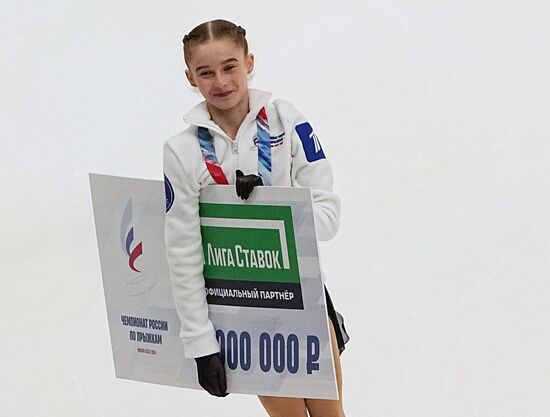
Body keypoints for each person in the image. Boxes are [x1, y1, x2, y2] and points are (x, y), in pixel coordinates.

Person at [163, 19, 349, 417]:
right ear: (189, 77)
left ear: (249, 62)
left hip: (302, 299)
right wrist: (200, 343)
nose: (220, 81)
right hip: (240, 312)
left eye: (229, 66)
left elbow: (329, 218)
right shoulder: (182, 152)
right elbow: (182, 253)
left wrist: (267, 206)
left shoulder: (287, 122)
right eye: (206, 72)